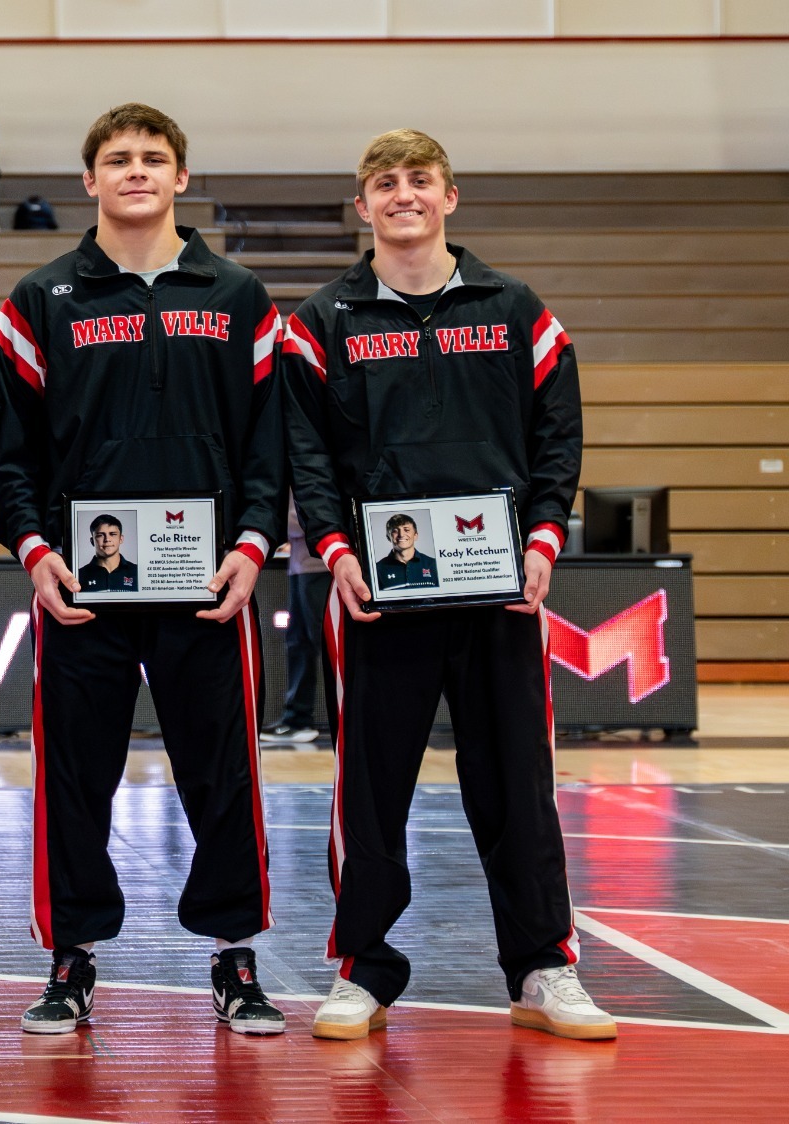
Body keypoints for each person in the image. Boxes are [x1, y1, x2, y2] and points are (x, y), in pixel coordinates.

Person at [280, 129, 612, 1041]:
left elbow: (558, 435)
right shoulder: (320, 322)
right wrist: (339, 550)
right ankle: (366, 970)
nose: (404, 196)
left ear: (450, 197)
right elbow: (306, 457)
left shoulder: (516, 309)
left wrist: (543, 537)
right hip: (381, 595)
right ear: (364, 206)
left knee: (518, 783)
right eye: (384, 183)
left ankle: (543, 967)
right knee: (370, 788)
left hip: (500, 590)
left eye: (419, 181)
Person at [0, 103, 287, 1036]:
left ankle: (234, 957)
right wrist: (33, 551)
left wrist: (250, 547)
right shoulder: (41, 300)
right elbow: (13, 455)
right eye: (116, 159)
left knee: (224, 773)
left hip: (208, 588)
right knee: (75, 776)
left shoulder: (239, 296)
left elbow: (267, 448)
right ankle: (72, 957)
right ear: (90, 181)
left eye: (153, 158)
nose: (135, 172)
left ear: (180, 178)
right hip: (84, 589)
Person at [260, 501, 324, 744]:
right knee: (299, 642)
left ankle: (300, 719)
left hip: (321, 564)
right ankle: (297, 719)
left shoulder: (308, 467)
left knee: (319, 643)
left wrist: (264, 527)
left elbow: (311, 518)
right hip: (301, 565)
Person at [374, 512, 439, 590]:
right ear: (388, 537)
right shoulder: (377, 569)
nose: (401, 534)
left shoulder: (433, 565)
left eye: (406, 530)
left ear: (415, 535)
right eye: (395, 531)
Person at [75, 514, 137, 594]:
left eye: (113, 534)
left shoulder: (137, 572)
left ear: (121, 539)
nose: (107, 539)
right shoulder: (78, 576)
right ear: (92, 541)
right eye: (100, 535)